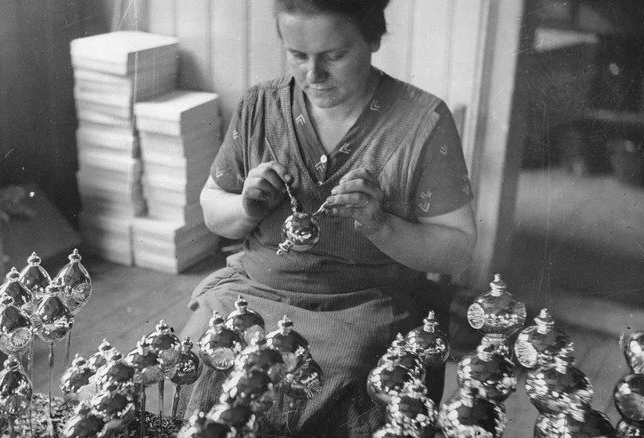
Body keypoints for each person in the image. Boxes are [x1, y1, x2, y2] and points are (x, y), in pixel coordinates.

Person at [179, 0, 477, 435]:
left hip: (366, 303)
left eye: (334, 56)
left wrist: (383, 225)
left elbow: (458, 250)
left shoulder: (422, 121)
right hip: (257, 289)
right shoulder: (260, 105)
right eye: (298, 55)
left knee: (346, 371)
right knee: (205, 343)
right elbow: (212, 206)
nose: (313, 76)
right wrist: (245, 207)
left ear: (373, 39)